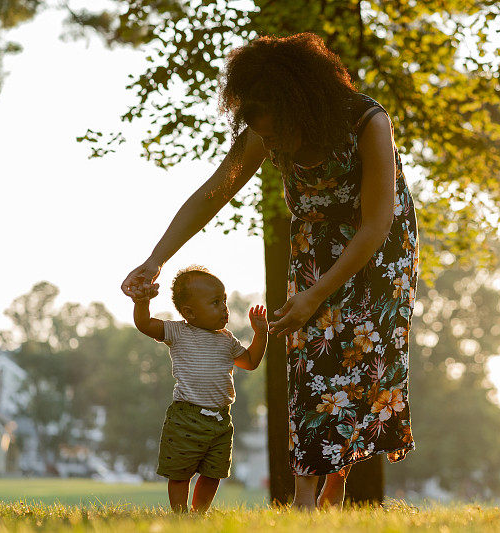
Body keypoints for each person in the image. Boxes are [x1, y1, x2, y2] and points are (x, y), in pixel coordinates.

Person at [122, 32, 419, 510]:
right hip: (314, 244)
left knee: (356, 361)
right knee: (306, 358)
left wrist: (317, 294)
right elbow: (212, 194)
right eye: (265, 134)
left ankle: (337, 479)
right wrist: (155, 259)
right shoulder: (265, 128)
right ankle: (305, 496)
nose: (273, 143)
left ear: (301, 105)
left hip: (378, 251)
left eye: (278, 131)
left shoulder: (366, 120)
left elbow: (378, 222)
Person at [130, 265, 268, 513]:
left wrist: (261, 334)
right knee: (180, 471)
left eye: (224, 301)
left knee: (214, 472)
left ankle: (198, 514)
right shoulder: (178, 332)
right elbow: (144, 324)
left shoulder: (227, 339)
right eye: (216, 302)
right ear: (189, 313)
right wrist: (142, 303)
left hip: (220, 420)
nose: (224, 308)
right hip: (187, 416)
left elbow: (250, 362)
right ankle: (180, 514)